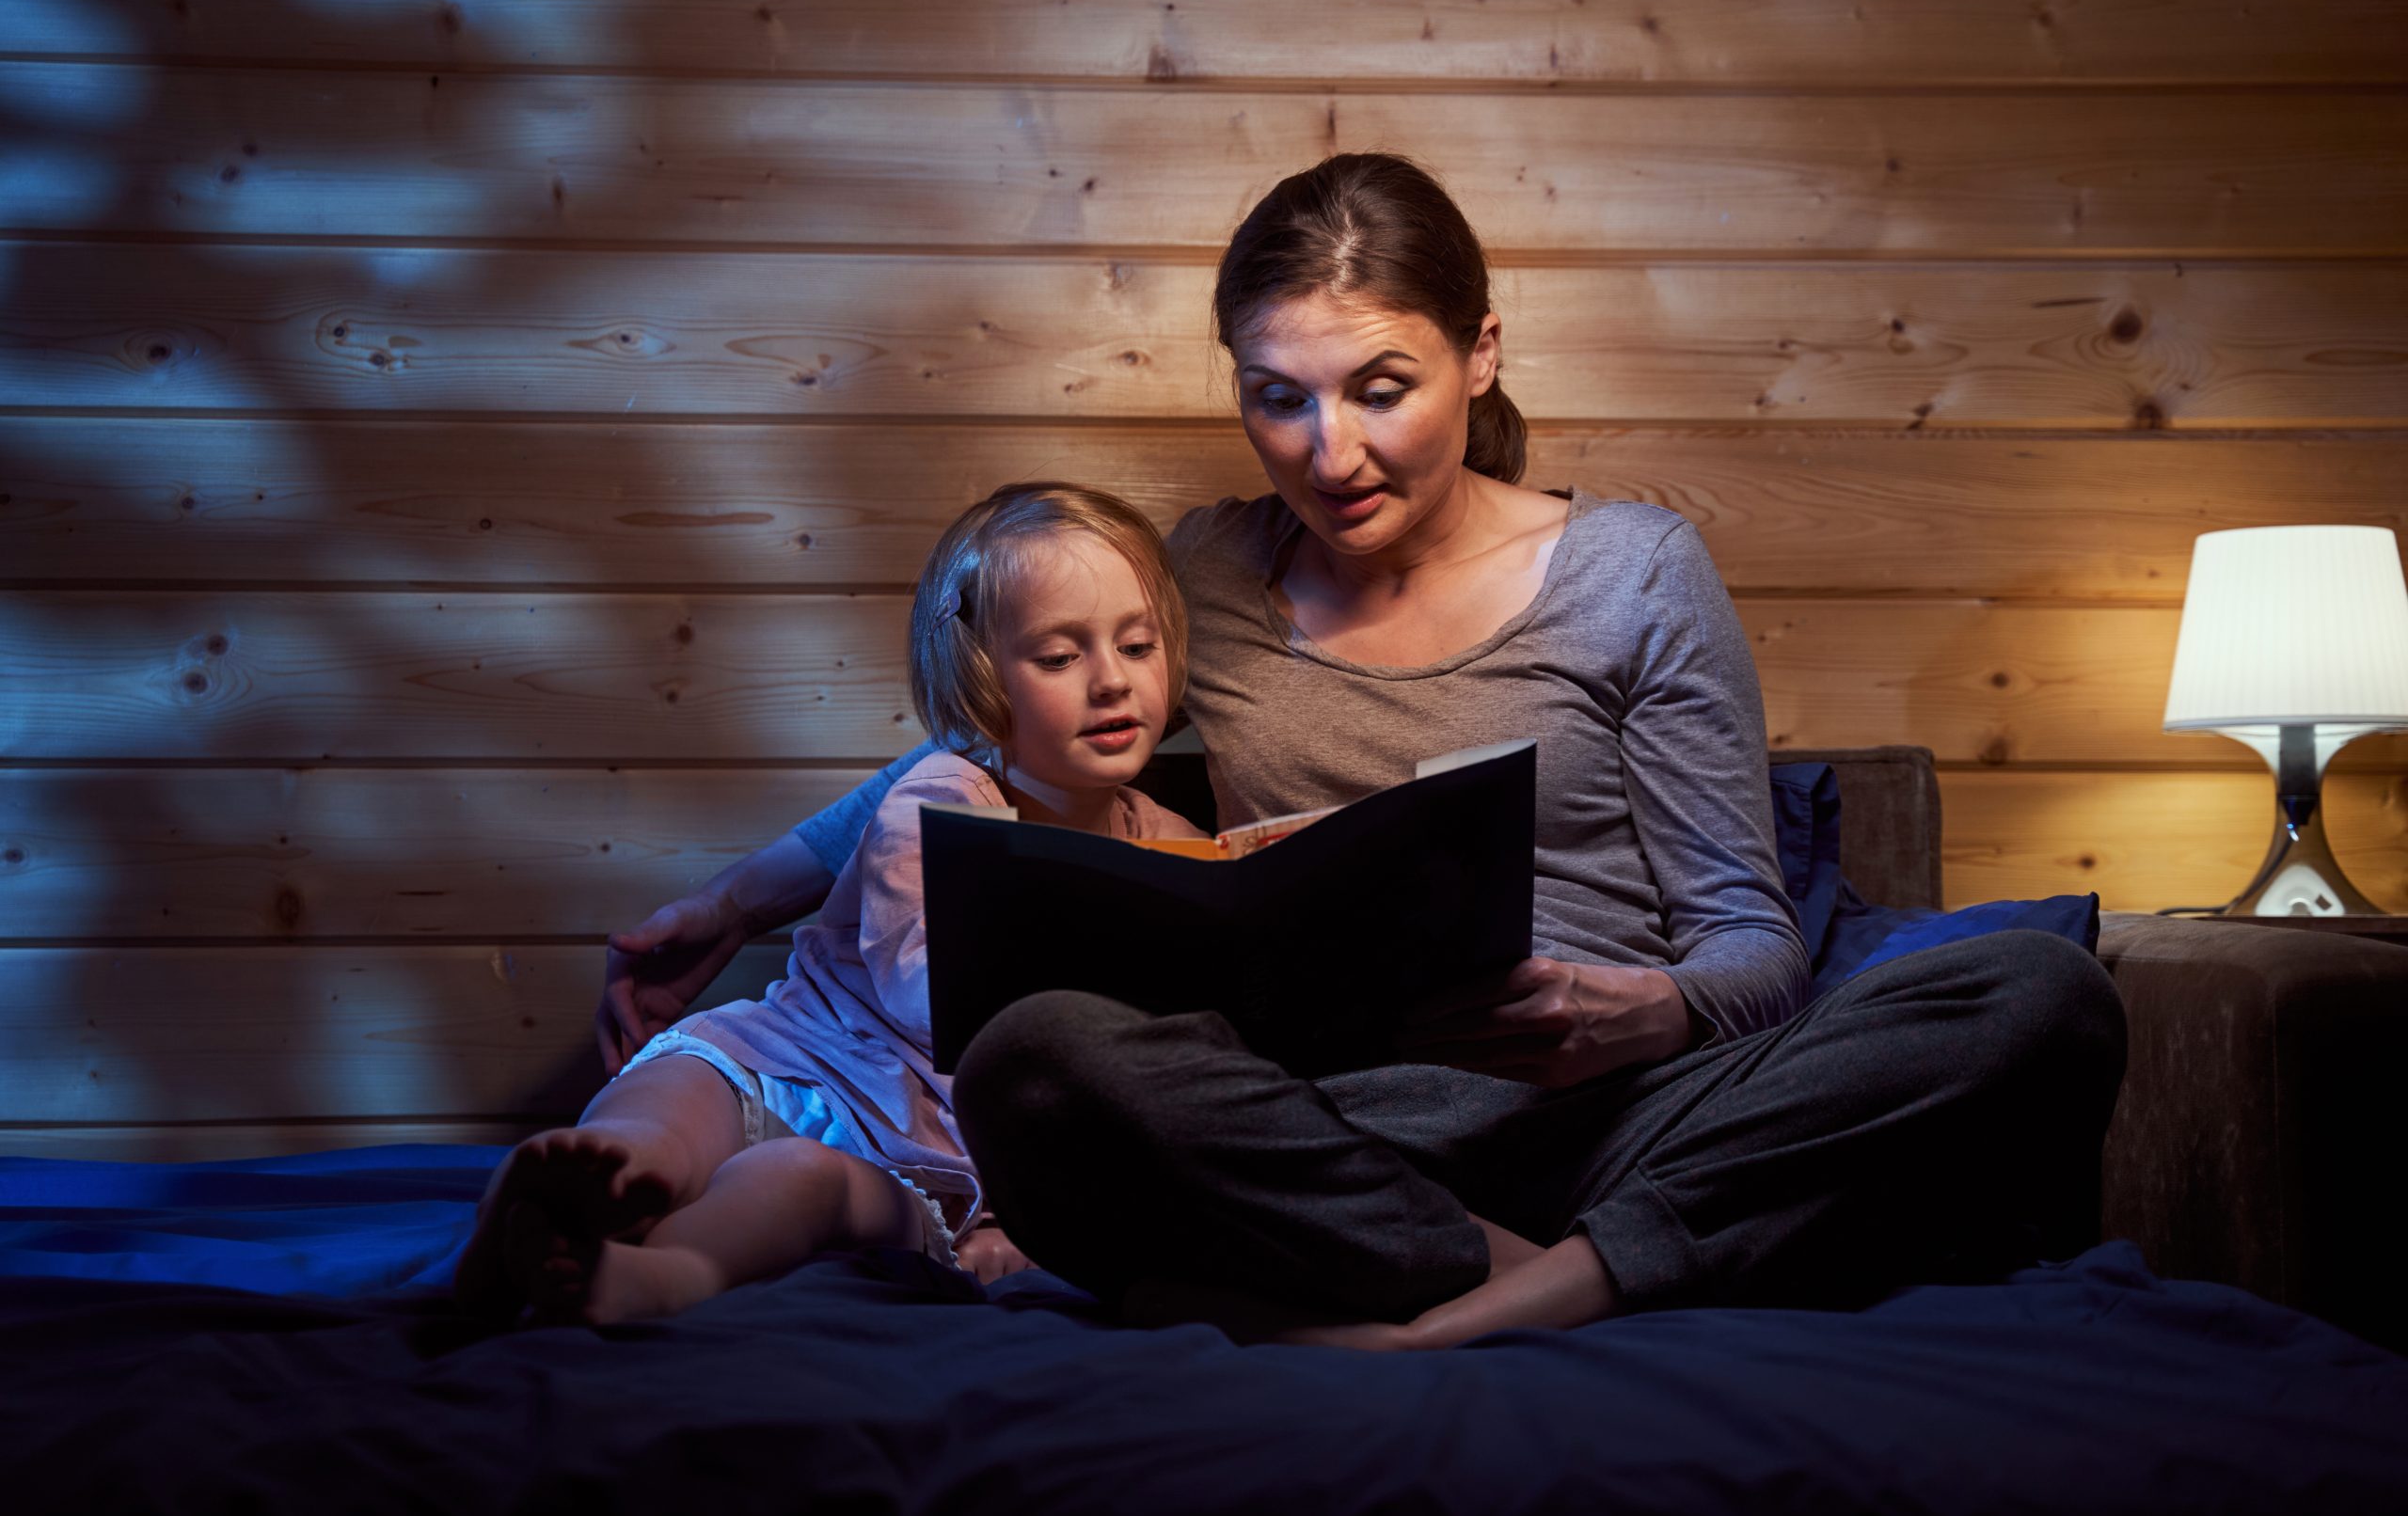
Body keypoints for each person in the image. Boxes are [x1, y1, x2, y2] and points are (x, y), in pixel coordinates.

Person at [595, 154, 2127, 1350]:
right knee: (1036, 1056)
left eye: (1380, 390)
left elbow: (1754, 950)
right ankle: (1566, 1284)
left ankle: (1502, 1296)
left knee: (2037, 994)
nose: (1330, 453)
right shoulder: (1202, 576)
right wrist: (737, 902)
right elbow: (992, 750)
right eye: (1280, 399)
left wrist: (1637, 1013)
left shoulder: (1634, 576)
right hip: (1305, 1134)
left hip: (1609, 1118)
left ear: (1479, 349)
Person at [457, 483, 1208, 1321]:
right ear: (981, 681)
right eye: (1061, 658)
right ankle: (547, 1206)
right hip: (796, 1060)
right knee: (664, 1115)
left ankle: (650, 1278)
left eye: (1138, 646)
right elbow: (932, 1000)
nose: (1112, 681)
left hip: (919, 1158)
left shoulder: (1170, 841)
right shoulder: (940, 804)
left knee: (797, 1184)